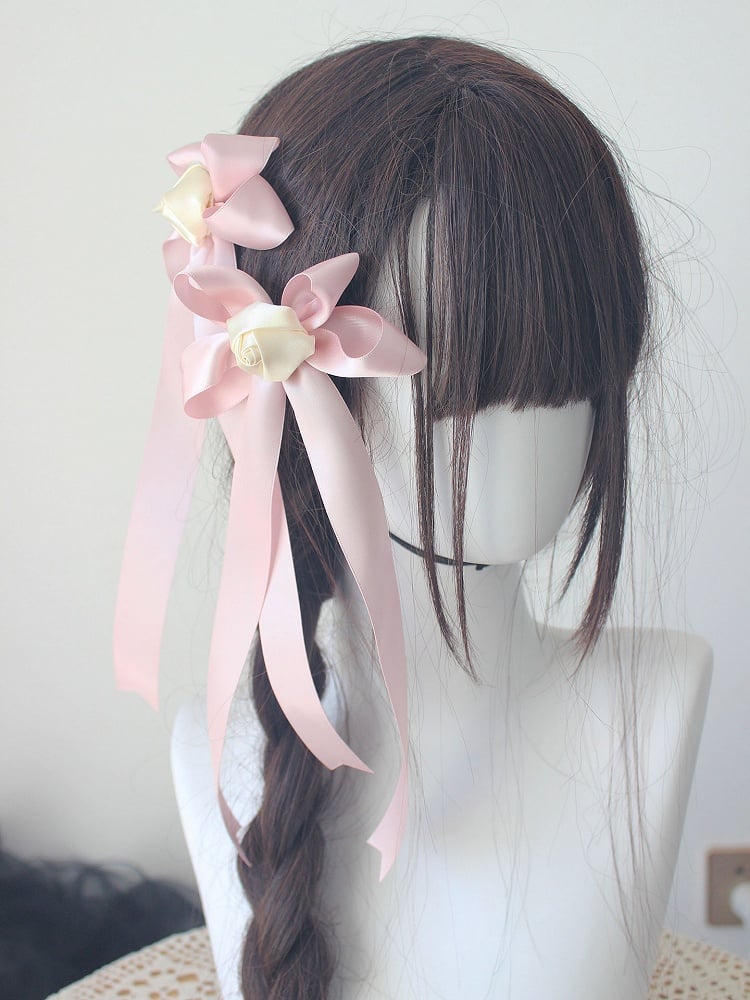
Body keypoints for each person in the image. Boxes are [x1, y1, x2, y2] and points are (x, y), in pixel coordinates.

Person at [159, 35, 712, 1000]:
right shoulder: (222, 755)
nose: (541, 431)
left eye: (573, 368)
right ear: (283, 384)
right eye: (465, 385)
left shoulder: (657, 701)